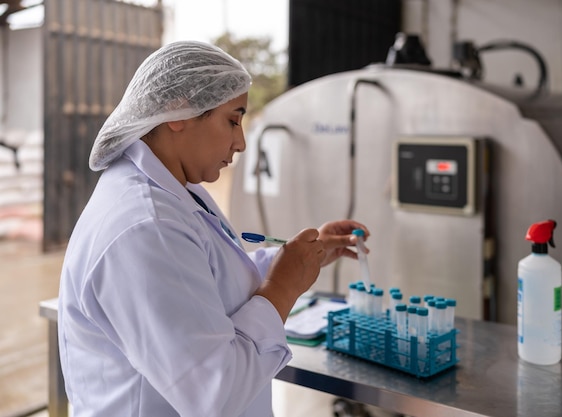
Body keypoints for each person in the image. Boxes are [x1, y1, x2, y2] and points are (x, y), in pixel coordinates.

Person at [57, 40, 369, 417]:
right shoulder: (145, 227)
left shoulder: (177, 193)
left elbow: (211, 279)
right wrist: (284, 287)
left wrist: (301, 259)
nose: (240, 143)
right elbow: (215, 393)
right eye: (233, 120)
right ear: (178, 112)